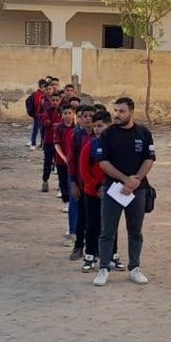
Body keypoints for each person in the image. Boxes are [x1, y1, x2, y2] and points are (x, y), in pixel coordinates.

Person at [92, 97, 154, 287]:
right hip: (113, 189)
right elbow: (103, 163)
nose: (117, 115)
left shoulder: (143, 133)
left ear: (131, 112)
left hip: (138, 190)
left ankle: (134, 267)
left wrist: (135, 181)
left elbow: (149, 159)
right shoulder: (107, 134)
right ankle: (104, 268)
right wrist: (125, 180)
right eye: (116, 111)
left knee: (135, 231)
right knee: (107, 231)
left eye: (121, 111)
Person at [78, 110, 111, 272]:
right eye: (95, 126)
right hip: (92, 192)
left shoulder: (115, 146)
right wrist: (97, 187)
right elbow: (84, 170)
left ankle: (111, 255)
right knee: (92, 224)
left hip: (111, 192)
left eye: (100, 126)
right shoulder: (89, 146)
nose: (97, 129)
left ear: (109, 126)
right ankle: (90, 256)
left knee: (109, 225)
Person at [68, 105, 96, 260]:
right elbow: (71, 161)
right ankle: (78, 246)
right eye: (85, 116)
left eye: (91, 116)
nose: (88, 119)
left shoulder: (102, 136)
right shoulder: (76, 136)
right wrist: (73, 182)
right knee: (82, 216)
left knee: (97, 217)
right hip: (81, 183)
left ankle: (96, 249)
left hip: (98, 184)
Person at [53, 104, 77, 222]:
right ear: (62, 115)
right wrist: (63, 157)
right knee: (63, 181)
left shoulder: (76, 128)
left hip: (73, 161)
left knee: (72, 181)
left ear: (74, 114)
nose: (67, 115)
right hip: (61, 160)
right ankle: (66, 201)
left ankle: (72, 200)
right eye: (65, 113)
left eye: (69, 113)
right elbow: (56, 144)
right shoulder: (59, 128)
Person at [38, 91, 63, 193]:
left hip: (60, 142)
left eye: (57, 100)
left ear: (60, 101)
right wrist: (54, 124)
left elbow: (64, 123)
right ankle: (45, 181)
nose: (55, 102)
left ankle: (61, 184)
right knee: (47, 162)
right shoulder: (47, 111)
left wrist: (56, 125)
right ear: (50, 100)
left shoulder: (63, 111)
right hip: (49, 141)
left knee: (60, 164)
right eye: (53, 100)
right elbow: (45, 122)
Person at [27, 78, 48, 149]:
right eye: (44, 87)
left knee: (42, 130)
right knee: (35, 129)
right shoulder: (38, 94)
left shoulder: (43, 94)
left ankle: (42, 143)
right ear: (41, 86)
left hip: (41, 114)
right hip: (38, 114)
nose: (45, 89)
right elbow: (37, 104)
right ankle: (33, 144)